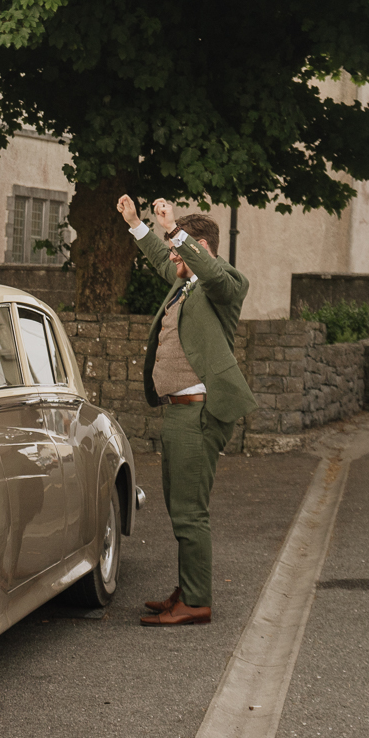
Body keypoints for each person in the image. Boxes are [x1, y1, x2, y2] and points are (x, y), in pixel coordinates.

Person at [118, 194, 257, 628]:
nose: (174, 256)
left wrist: (173, 227)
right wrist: (137, 224)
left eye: (182, 250)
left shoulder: (226, 284)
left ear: (202, 250)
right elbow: (165, 259)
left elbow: (209, 270)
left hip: (200, 412)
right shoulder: (185, 282)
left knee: (190, 511)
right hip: (179, 412)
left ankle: (196, 601)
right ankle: (188, 587)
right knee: (181, 508)